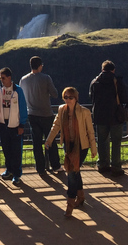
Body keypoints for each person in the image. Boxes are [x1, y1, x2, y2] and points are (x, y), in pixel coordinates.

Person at [45, 87, 97, 217]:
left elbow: (90, 131)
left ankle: (70, 203)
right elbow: (56, 125)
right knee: (74, 172)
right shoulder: (62, 110)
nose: (68, 100)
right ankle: (80, 196)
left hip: (81, 146)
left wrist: (93, 147)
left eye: (70, 97)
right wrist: (49, 140)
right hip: (68, 145)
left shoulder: (84, 112)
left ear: (76, 98)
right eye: (65, 97)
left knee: (72, 174)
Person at [20, 56, 63, 175]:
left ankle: (40, 167)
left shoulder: (23, 80)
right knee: (51, 139)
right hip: (46, 114)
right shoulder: (46, 78)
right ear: (40, 66)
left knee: (36, 142)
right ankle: (55, 165)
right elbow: (55, 94)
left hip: (32, 114)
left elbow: (22, 96)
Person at [89, 60, 128, 176]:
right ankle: (116, 166)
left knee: (102, 141)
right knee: (116, 141)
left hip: (100, 116)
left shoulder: (95, 82)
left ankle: (103, 164)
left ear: (102, 69)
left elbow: (92, 97)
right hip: (115, 116)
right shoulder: (117, 81)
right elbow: (124, 97)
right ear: (113, 70)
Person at [0, 67, 28, 186]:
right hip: (3, 125)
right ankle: (9, 170)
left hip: (15, 126)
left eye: (3, 78)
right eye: (0, 78)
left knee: (16, 151)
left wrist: (22, 124)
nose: (1, 80)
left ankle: (17, 174)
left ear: (9, 77)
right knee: (6, 149)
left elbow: (23, 108)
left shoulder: (18, 90)